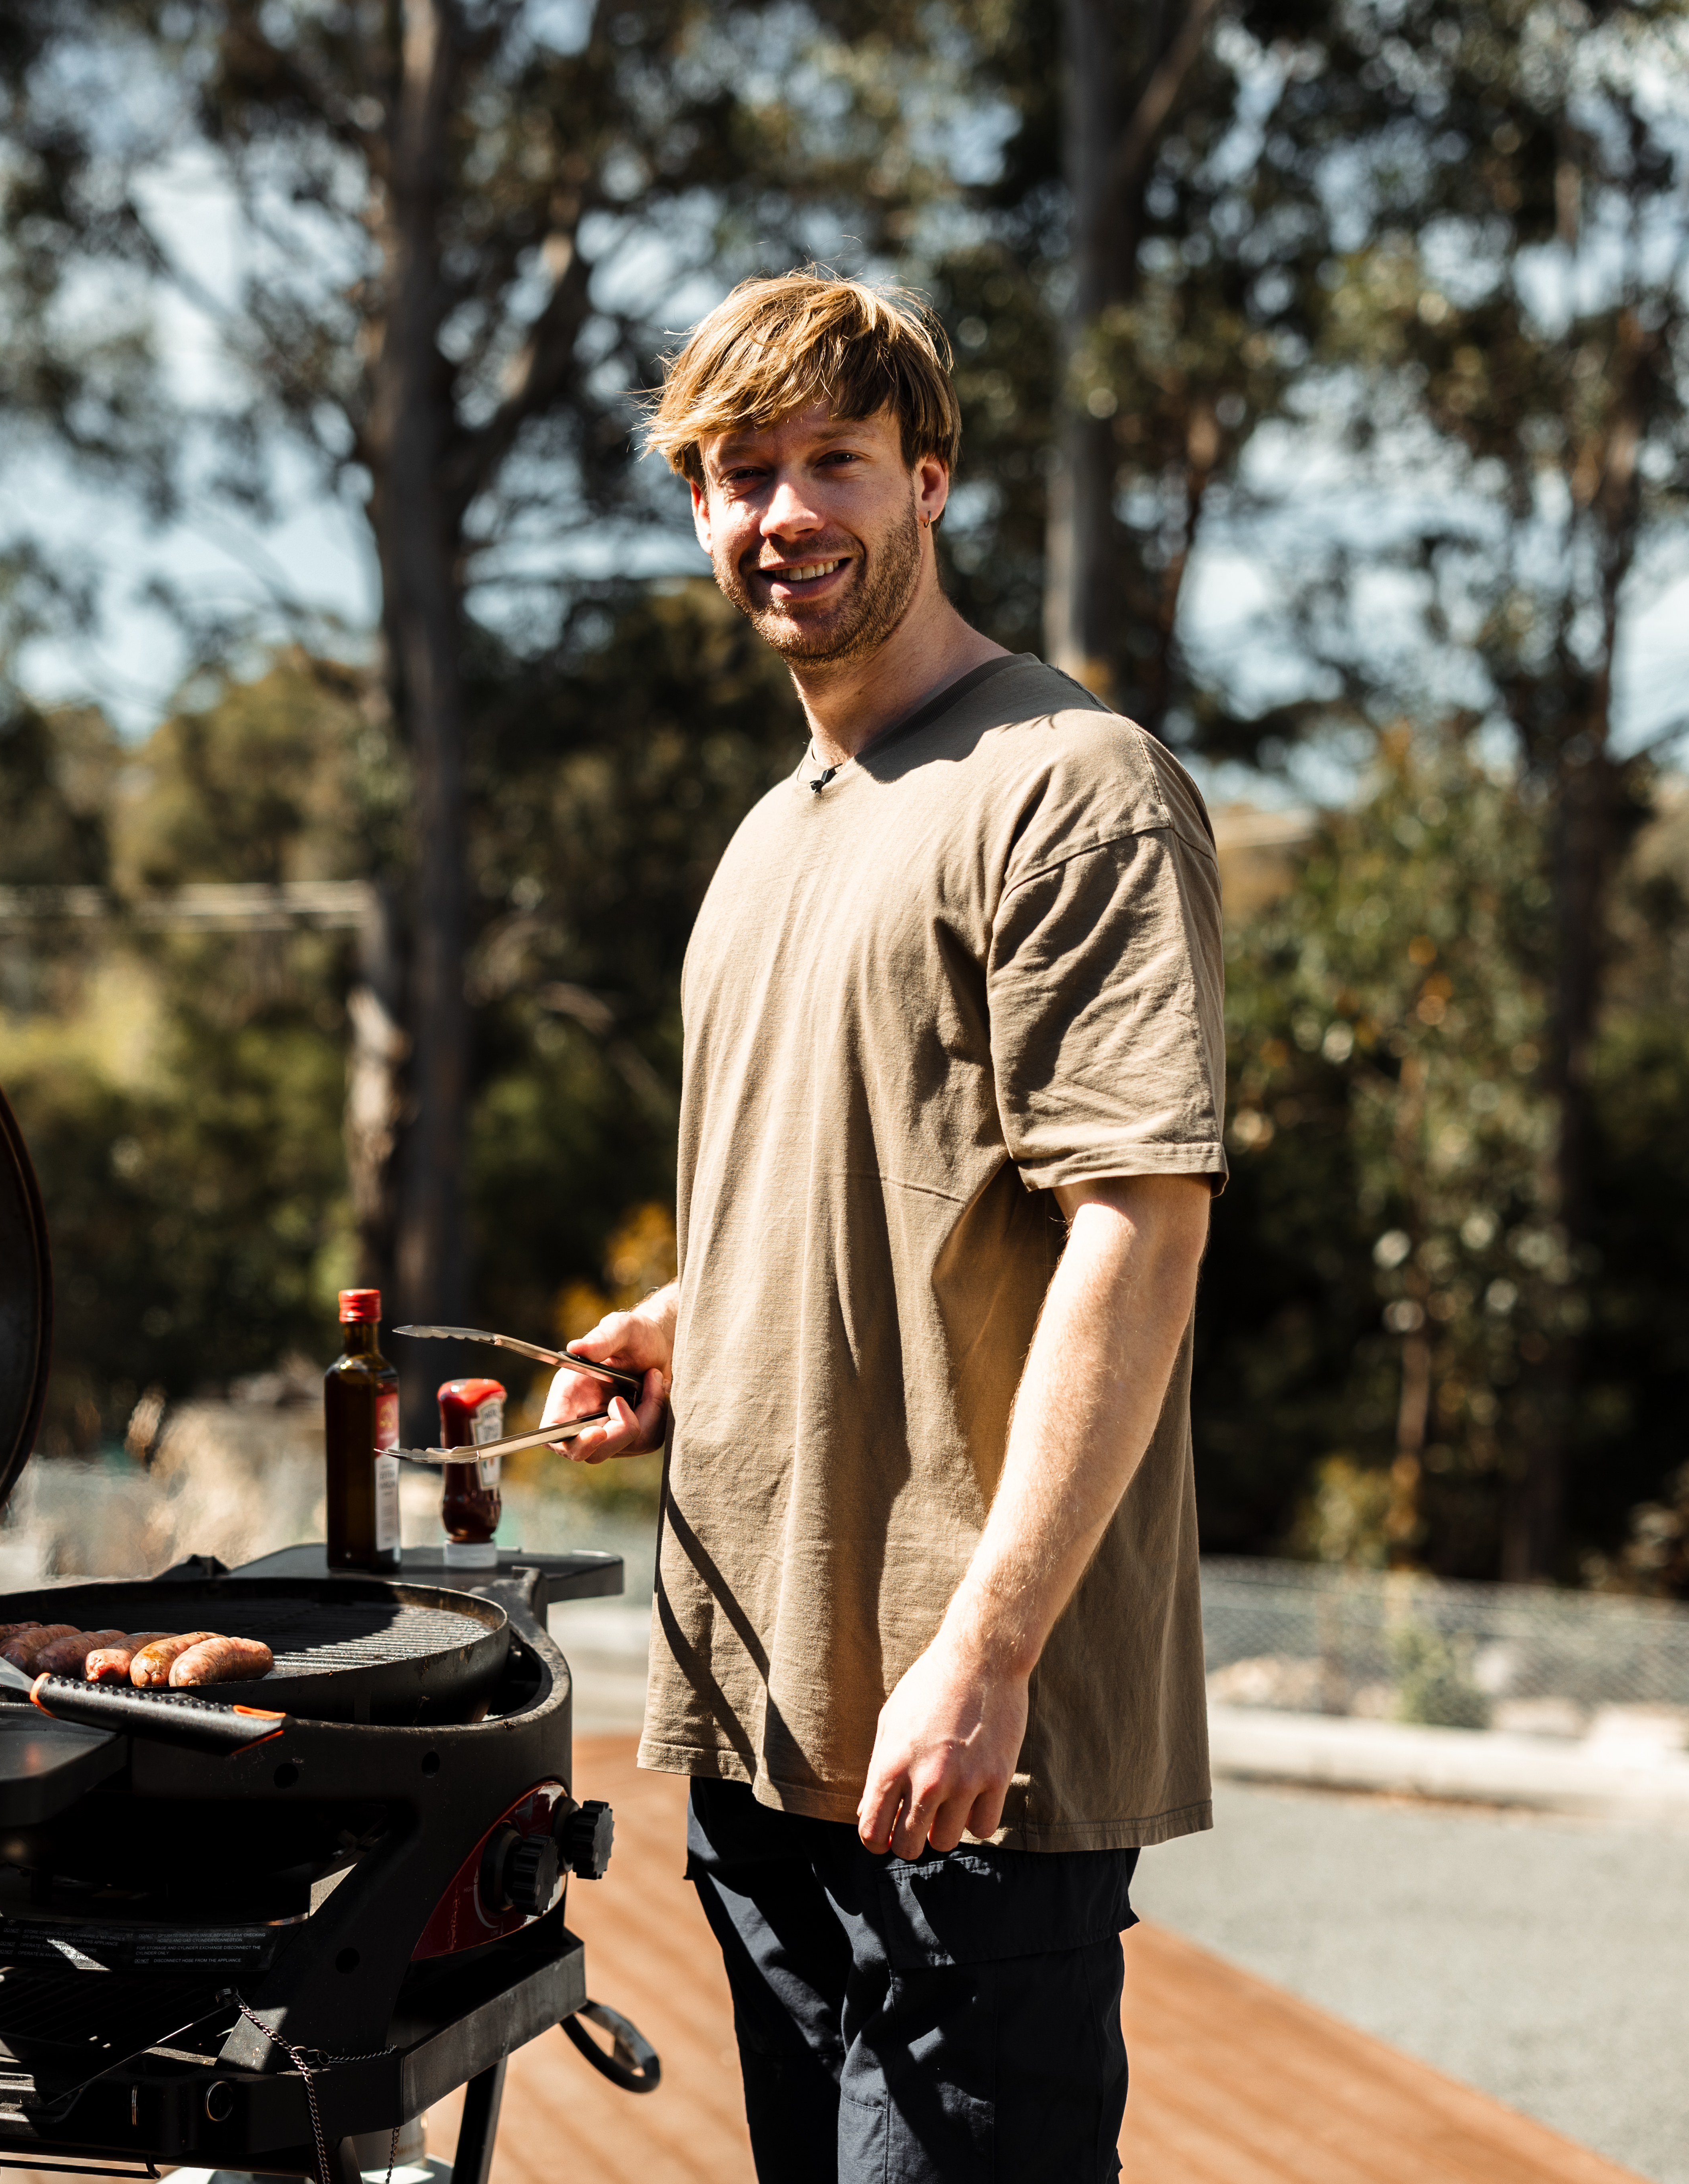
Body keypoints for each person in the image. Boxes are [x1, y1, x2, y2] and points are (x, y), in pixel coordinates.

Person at [543, 270, 1221, 2182]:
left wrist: (988, 1649)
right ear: (696, 507)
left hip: (963, 1752)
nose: (785, 513)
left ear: (927, 476)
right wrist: (684, 1329)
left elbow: (1133, 1231)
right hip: (766, 1712)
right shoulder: (778, 830)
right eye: (738, 472)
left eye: (832, 460)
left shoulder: (1065, 787)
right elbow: (882, 1180)